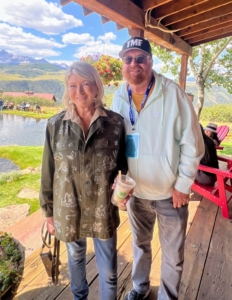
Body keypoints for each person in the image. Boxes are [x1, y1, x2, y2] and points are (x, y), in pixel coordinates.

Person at [111, 37, 205, 300]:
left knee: (173, 255)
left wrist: (183, 185)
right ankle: (140, 288)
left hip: (169, 194)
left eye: (140, 58)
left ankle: (167, 297)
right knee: (139, 246)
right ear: (123, 63)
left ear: (150, 62)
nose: (134, 64)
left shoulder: (172, 93)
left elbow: (193, 144)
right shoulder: (119, 94)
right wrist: (118, 181)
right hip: (135, 193)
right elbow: (115, 143)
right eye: (128, 59)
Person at [39, 61, 128, 300]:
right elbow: (48, 172)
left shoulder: (116, 124)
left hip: (103, 208)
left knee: (108, 271)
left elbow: (125, 167)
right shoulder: (55, 125)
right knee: (75, 258)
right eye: (73, 85)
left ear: (97, 87)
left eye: (85, 84)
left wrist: (124, 188)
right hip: (69, 209)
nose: (79, 91)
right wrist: (49, 213)